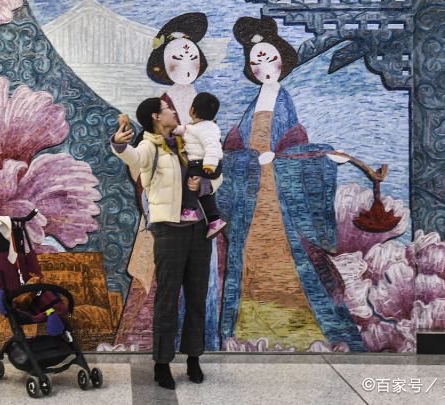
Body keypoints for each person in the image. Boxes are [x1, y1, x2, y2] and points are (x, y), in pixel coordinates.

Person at [217, 16, 365, 351]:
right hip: (254, 198)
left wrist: (324, 156)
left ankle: (303, 329)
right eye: (255, 62)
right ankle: (248, 328)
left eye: (267, 58)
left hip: (278, 196)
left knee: (289, 258)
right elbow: (237, 149)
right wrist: (251, 159)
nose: (262, 66)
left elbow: (295, 147)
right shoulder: (252, 106)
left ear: (282, 59)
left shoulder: (283, 101)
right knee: (252, 258)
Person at [111, 97, 221, 390]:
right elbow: (134, 158)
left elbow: (212, 176)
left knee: (197, 295)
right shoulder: (150, 146)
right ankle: (162, 363)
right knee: (167, 297)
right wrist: (119, 144)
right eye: (168, 109)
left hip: (198, 228)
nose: (174, 111)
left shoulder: (188, 141)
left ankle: (193, 358)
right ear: (157, 118)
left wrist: (204, 183)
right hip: (169, 231)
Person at [174, 92, 227, 239]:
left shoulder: (207, 128)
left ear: (191, 110)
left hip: (204, 164)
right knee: (206, 195)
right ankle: (215, 220)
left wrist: (209, 164)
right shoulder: (196, 126)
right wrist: (173, 129)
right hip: (204, 163)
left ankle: (190, 210)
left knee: (190, 184)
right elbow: (184, 130)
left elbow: (213, 146)